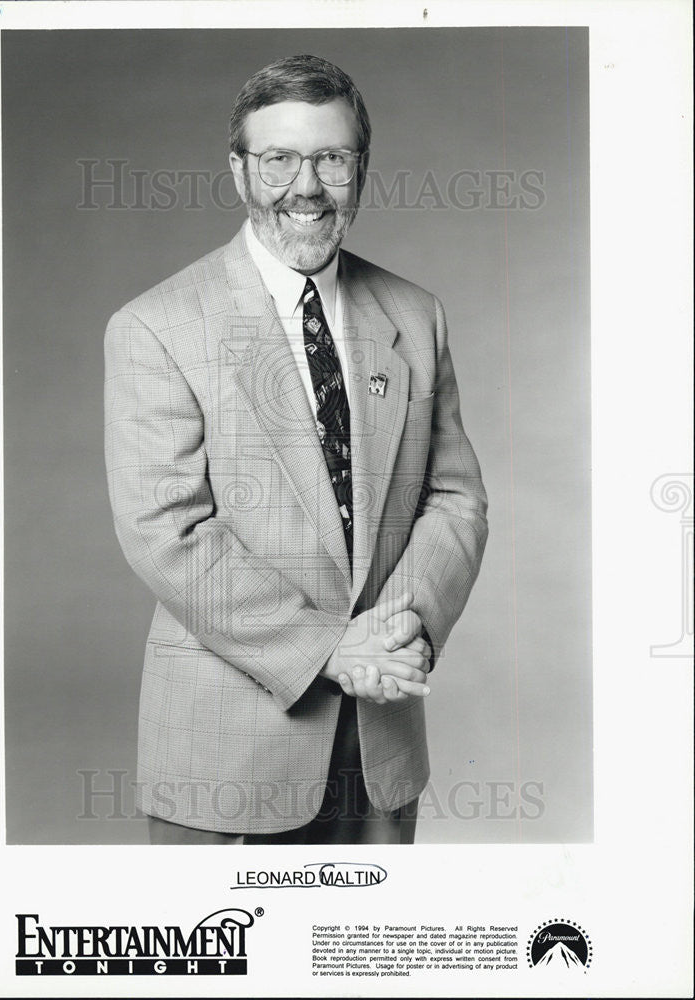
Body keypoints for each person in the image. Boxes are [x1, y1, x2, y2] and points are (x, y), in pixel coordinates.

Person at [103, 54, 487, 845]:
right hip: (226, 754)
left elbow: (455, 498)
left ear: (361, 169)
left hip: (380, 746)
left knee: (359, 969)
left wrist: (396, 633)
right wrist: (331, 651)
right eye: (278, 159)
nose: (305, 187)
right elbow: (166, 533)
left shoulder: (416, 316)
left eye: (331, 158)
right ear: (239, 170)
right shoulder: (156, 327)